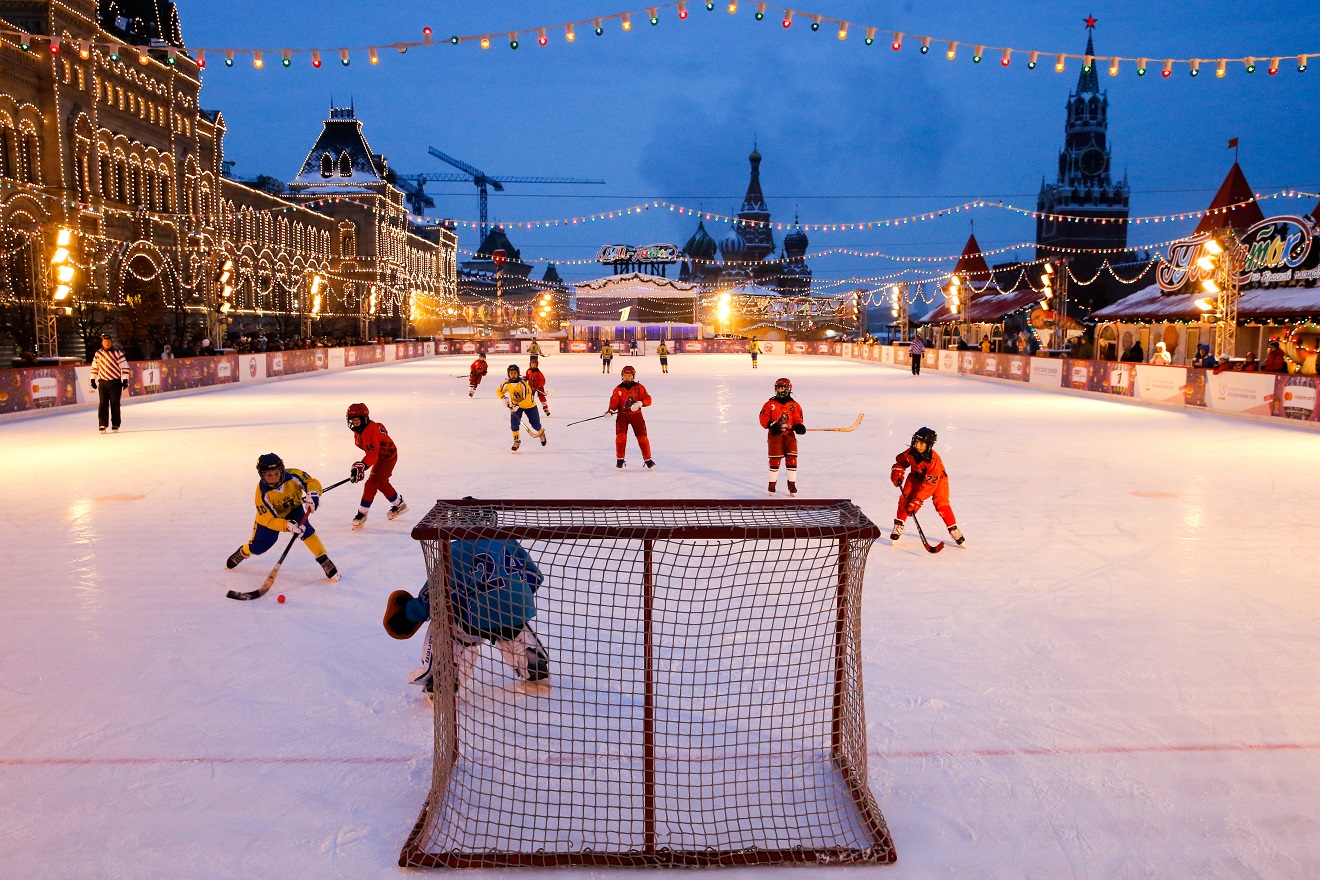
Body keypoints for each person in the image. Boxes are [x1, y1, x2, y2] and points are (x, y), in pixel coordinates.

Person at [383, 520, 550, 694]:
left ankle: (444, 678)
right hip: (519, 608)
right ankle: (533, 663)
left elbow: (435, 593)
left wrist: (411, 612)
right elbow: (534, 576)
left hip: (477, 618)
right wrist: (515, 595)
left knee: (457, 630)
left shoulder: (455, 549)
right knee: (511, 625)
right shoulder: (506, 540)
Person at [226, 453, 339, 580]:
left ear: (281, 470)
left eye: (276, 473)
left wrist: (312, 493)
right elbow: (269, 520)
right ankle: (244, 551)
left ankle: (323, 558)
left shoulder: (293, 474)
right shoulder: (262, 494)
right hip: (272, 519)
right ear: (262, 475)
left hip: (294, 510)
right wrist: (287, 525)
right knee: (259, 547)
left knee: (306, 530)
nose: (274, 478)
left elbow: (310, 482)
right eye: (269, 475)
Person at [889, 427, 964, 546]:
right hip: (916, 476)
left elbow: (929, 485)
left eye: (921, 443)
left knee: (941, 503)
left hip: (938, 480)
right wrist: (897, 470)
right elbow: (900, 461)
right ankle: (899, 524)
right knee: (905, 498)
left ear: (929, 445)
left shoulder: (934, 461)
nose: (917, 445)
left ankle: (953, 529)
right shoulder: (910, 452)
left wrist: (917, 500)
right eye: (916, 442)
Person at [346, 402, 406, 530]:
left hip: (387, 456)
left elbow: (372, 455)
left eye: (357, 420)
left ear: (364, 419)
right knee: (381, 482)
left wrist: (362, 465)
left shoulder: (369, 431)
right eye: (352, 421)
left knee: (372, 483)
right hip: (380, 455)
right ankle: (399, 505)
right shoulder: (361, 429)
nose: (355, 424)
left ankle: (362, 513)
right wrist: (361, 466)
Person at [758, 378, 806, 495]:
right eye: (778, 388)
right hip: (775, 436)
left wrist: (799, 426)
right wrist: (771, 425)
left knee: (792, 458)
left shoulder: (794, 405)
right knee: (775, 460)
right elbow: (763, 417)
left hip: (789, 435)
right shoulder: (770, 404)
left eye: (782, 387)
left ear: (788, 389)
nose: (780, 390)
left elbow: (797, 418)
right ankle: (772, 484)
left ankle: (791, 484)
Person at [608, 364, 653, 469]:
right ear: (622, 376)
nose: (627, 377)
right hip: (622, 416)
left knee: (642, 438)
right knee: (620, 437)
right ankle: (620, 459)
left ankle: (648, 459)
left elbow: (648, 399)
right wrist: (610, 410)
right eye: (625, 375)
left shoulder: (639, 387)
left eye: (630, 375)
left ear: (633, 376)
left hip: (636, 416)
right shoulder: (618, 389)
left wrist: (640, 403)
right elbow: (614, 401)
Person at [498, 364, 546, 453]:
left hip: (529, 406)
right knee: (514, 425)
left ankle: (541, 433)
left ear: (518, 374)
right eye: (511, 373)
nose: (513, 375)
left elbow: (526, 398)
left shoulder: (523, 384)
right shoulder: (506, 383)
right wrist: (503, 398)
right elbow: (499, 391)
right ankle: (516, 441)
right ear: (508, 374)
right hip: (516, 406)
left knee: (535, 424)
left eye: (515, 373)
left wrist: (517, 405)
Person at [90, 332, 129, 433]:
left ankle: (115, 424)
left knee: (115, 404)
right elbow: (95, 367)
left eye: (108, 341)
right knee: (103, 403)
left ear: (111, 342)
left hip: (115, 382)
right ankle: (102, 424)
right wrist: (92, 379)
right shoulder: (98, 354)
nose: (107, 343)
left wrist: (125, 379)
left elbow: (124, 367)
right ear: (102, 342)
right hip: (103, 382)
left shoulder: (117, 353)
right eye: (105, 341)